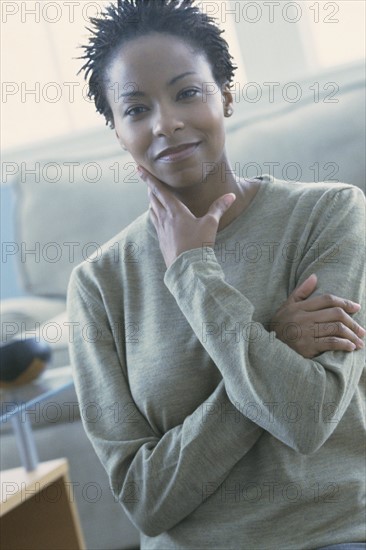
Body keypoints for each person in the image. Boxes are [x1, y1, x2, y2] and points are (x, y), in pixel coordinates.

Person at [66, 1, 365, 548]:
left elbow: (307, 418)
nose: (166, 123)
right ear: (116, 131)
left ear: (225, 95)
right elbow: (144, 501)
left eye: (187, 92)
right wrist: (273, 345)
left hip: (332, 535)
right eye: (136, 109)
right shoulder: (98, 284)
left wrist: (190, 270)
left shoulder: (329, 213)